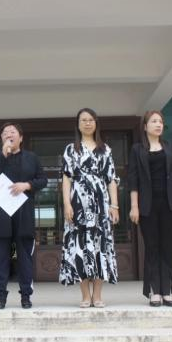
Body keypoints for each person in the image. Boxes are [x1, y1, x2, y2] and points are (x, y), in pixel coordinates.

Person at [59, 108, 119, 308]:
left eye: (91, 119)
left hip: (101, 204)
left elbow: (111, 179)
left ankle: (98, 295)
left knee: (101, 247)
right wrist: (67, 204)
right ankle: (85, 295)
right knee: (80, 247)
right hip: (78, 204)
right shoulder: (70, 149)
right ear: (78, 124)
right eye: (83, 120)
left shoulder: (105, 149)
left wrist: (114, 205)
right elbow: (66, 179)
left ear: (96, 123)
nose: (87, 123)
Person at [128, 111, 172, 307]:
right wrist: (134, 206)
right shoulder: (137, 149)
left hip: (170, 203)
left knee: (167, 246)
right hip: (147, 205)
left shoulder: (170, 147)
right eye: (154, 121)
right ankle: (154, 291)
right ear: (145, 126)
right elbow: (133, 179)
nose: (158, 124)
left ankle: (168, 291)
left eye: (161, 121)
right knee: (152, 247)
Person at [0, 122, 47, 309]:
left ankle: (26, 295)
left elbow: (43, 180)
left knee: (25, 257)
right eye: (5, 132)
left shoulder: (31, 157)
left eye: (12, 132)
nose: (8, 134)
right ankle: (0, 295)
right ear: (1, 138)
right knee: (0, 257)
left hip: (23, 212)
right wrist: (4, 155)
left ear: (21, 137)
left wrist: (27, 185)